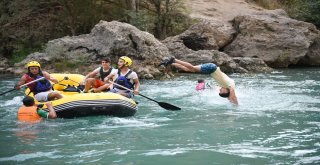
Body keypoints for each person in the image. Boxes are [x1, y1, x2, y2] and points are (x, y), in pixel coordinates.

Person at [160, 57, 238, 105]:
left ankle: (170, 63)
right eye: (221, 91)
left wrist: (231, 102)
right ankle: (174, 60)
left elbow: (229, 97)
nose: (220, 89)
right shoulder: (230, 85)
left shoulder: (225, 87)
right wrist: (236, 107)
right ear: (226, 91)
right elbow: (233, 96)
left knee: (188, 69)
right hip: (212, 68)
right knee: (192, 68)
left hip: (211, 70)